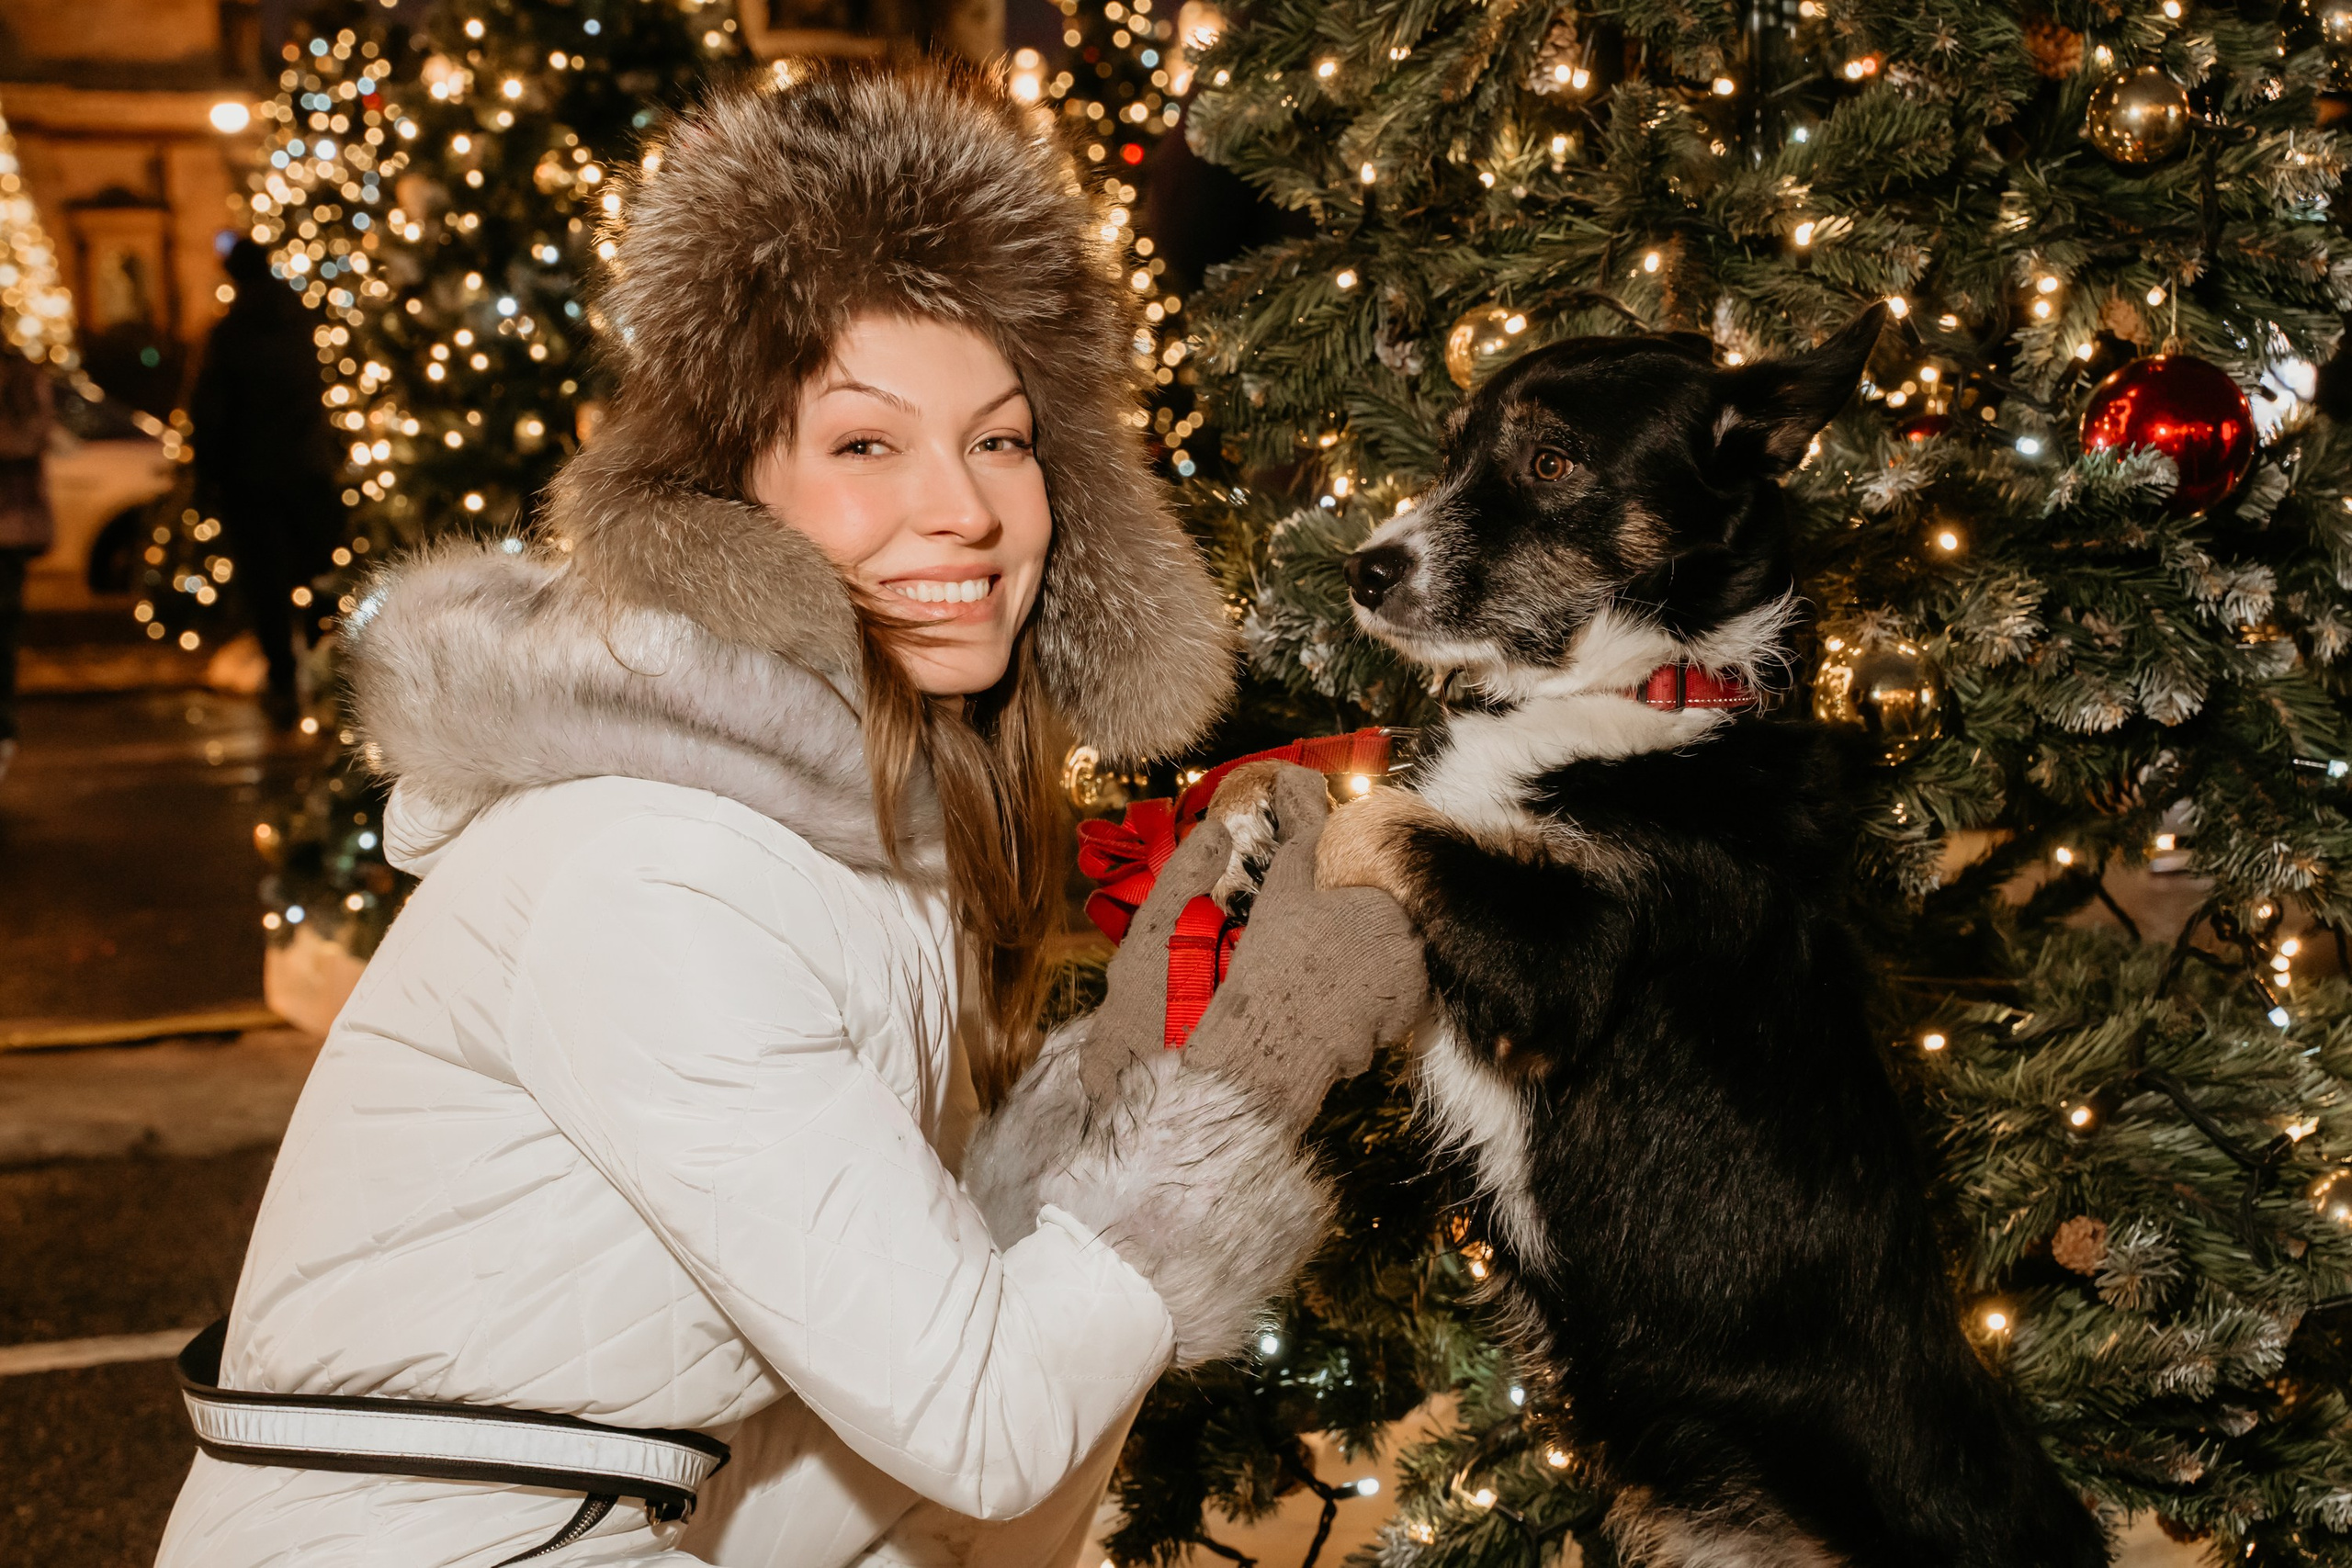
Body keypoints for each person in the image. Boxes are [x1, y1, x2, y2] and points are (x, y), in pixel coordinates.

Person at [155, 64, 1426, 1568]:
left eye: (1005, 439)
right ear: (729, 497)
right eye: (866, 443)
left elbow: (891, 1423)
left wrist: (1127, 1075)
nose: (963, 508)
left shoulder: (839, 845)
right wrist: (1247, 1081)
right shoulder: (663, 863)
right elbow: (981, 1419)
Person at [187, 237, 344, 728]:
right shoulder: (303, 325)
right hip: (307, 469)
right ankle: (328, 670)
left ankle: (283, 678)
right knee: (319, 572)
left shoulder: (231, 334)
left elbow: (210, 411)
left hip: (251, 478)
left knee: (267, 584)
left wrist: (206, 474)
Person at [0, 347, 52, 788]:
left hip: (9, 528)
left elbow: (33, 433)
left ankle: (3, 725)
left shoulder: (20, 374)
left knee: (4, 623)